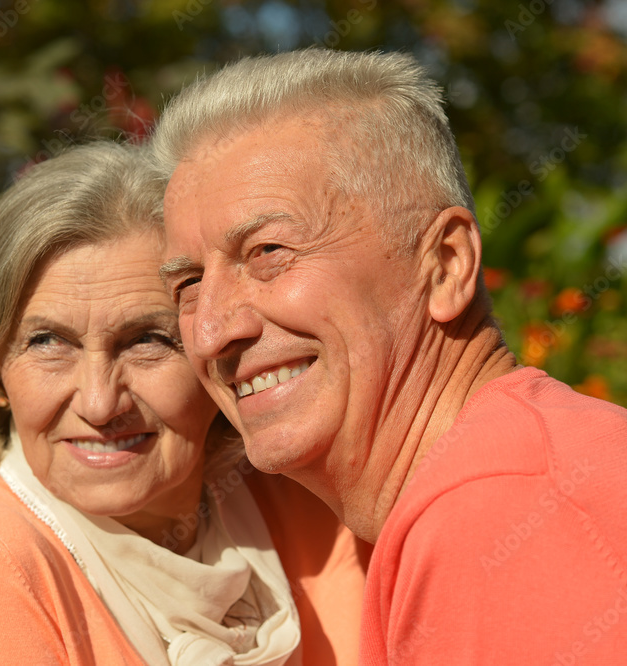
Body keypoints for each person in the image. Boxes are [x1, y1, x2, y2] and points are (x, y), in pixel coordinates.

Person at [152, 47, 627, 664]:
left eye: (268, 250)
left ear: (447, 266)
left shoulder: (500, 513)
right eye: (186, 284)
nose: (212, 330)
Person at [0, 141, 367, 666]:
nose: (99, 403)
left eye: (147, 341)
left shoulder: (312, 496)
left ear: (215, 352)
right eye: (48, 343)